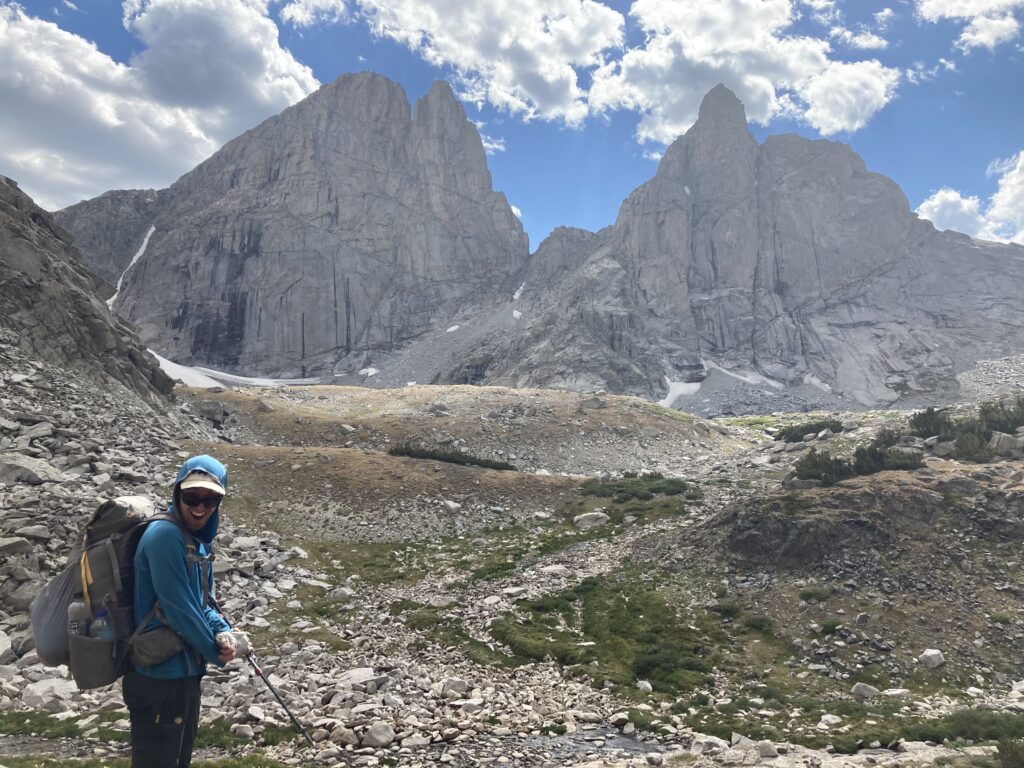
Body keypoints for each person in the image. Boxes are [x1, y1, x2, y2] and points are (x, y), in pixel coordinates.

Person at [123, 454, 236, 768]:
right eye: (191, 497)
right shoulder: (164, 536)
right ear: (177, 493)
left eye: (210, 499)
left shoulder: (196, 541)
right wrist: (216, 652)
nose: (200, 507)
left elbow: (203, 604)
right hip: (158, 679)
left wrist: (223, 632)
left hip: (182, 675)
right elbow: (180, 611)